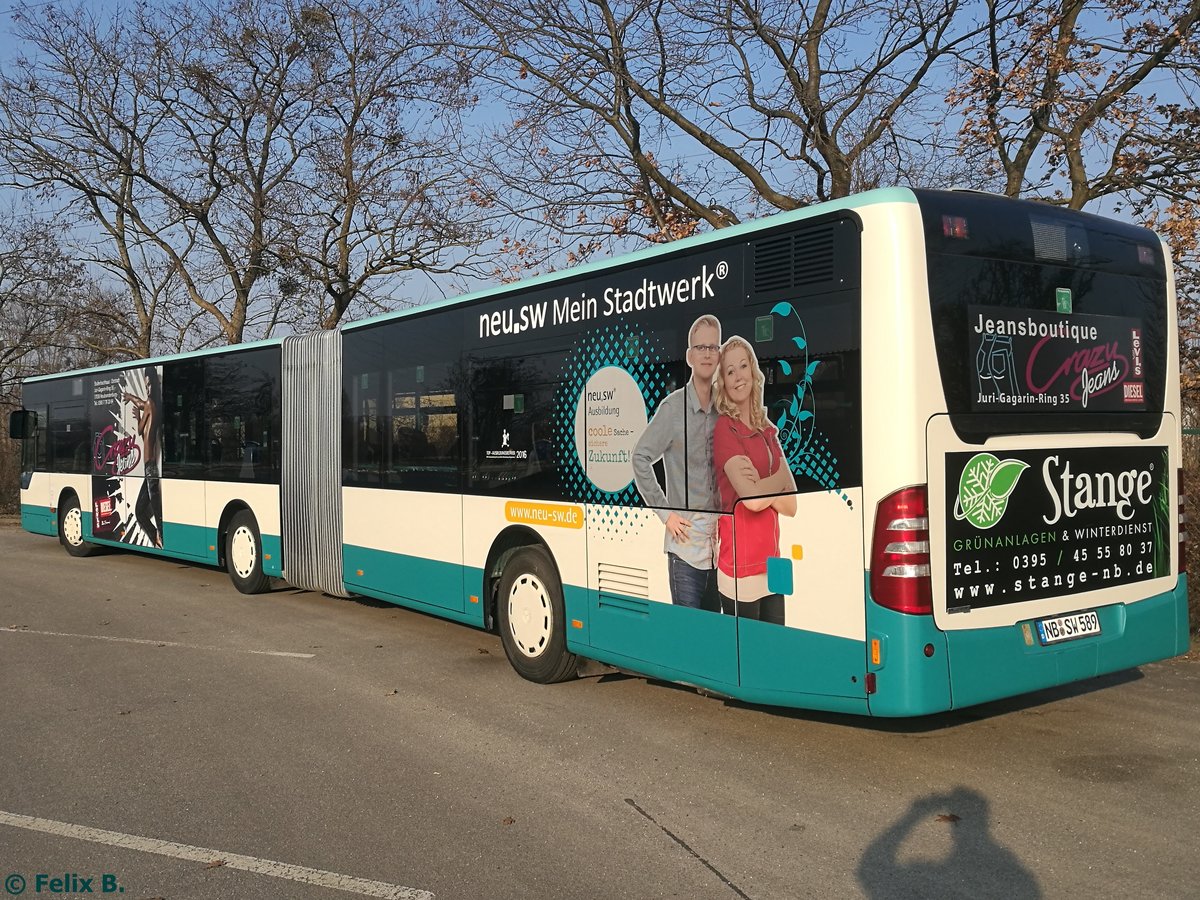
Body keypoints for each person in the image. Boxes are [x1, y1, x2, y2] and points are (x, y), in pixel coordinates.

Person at [632, 314, 722, 611]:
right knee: (691, 638)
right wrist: (665, 513)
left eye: (712, 347)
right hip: (685, 551)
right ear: (690, 356)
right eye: (701, 347)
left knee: (716, 637)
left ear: (719, 354)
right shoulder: (673, 409)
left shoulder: (725, 409)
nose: (707, 353)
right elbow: (640, 458)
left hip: (720, 550)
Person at [712, 336, 796, 624]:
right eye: (730, 371)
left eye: (743, 366)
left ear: (753, 371)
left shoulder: (767, 428)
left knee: (777, 654)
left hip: (773, 562)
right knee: (749, 661)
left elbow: (792, 503)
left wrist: (762, 486)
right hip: (740, 569)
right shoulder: (725, 429)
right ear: (723, 380)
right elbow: (754, 501)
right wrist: (777, 479)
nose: (738, 377)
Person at [124, 367, 163, 549]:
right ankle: (157, 536)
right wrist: (135, 406)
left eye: (149, 383)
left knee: (155, 508)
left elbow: (141, 406)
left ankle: (160, 538)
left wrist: (132, 400)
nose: (147, 386)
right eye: (145, 383)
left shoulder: (151, 404)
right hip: (149, 467)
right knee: (141, 511)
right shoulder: (150, 406)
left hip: (151, 467)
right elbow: (142, 432)